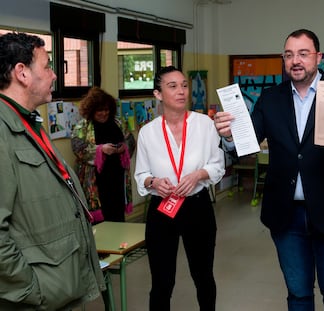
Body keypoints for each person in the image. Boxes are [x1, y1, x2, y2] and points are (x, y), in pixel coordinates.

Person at [214, 29, 324, 311]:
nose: (295, 60)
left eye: (303, 53)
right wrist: (229, 135)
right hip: (287, 215)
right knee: (298, 295)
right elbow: (246, 143)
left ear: (318, 57)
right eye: (289, 55)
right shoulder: (270, 98)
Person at [0, 32, 105, 310]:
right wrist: (32, 289)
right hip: (37, 296)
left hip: (59, 288)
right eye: (47, 66)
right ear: (22, 73)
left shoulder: (29, 124)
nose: (54, 75)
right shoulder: (2, 130)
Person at [134, 66, 225, 310]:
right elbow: (141, 174)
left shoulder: (205, 125)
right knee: (162, 281)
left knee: (203, 276)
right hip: (162, 209)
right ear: (158, 94)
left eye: (184, 85)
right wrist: (153, 182)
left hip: (197, 207)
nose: (181, 91)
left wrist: (198, 175)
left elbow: (218, 166)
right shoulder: (148, 132)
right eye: (172, 86)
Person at [71, 86, 136, 223]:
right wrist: (100, 149)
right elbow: (78, 148)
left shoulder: (118, 122)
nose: (104, 113)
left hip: (116, 178)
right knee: (99, 218)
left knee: (117, 215)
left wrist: (122, 148)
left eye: (106, 110)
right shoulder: (82, 126)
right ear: (92, 110)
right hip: (95, 180)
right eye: (99, 110)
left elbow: (130, 141)